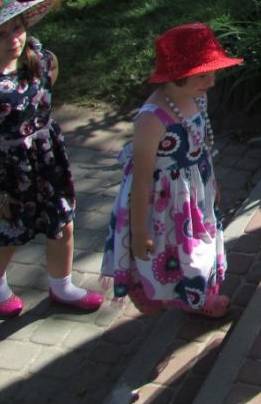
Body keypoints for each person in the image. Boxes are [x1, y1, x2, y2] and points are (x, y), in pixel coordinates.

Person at [101, 23, 242, 317]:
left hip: (194, 192)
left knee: (196, 248)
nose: (211, 82)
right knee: (170, 251)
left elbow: (202, 145)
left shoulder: (197, 97)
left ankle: (197, 296)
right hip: (162, 203)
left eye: (213, 73)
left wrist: (213, 183)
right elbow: (141, 181)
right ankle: (161, 295)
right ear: (177, 75)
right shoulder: (152, 118)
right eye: (202, 75)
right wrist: (139, 232)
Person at [0, 0, 104, 318]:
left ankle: (62, 285)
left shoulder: (36, 57)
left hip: (45, 159)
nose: (13, 38)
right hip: (5, 170)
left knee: (62, 222)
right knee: (9, 233)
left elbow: (51, 72)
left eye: (17, 27)